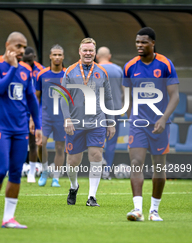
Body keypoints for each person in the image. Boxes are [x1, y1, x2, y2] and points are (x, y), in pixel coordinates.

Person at [0, 32, 42, 229]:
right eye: (18, 46)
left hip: (20, 129)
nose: (22, 51)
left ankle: (9, 217)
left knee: (16, 173)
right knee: (0, 170)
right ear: (8, 44)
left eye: (24, 47)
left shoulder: (26, 70)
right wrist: (12, 69)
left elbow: (32, 99)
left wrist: (38, 125)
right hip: (0, 127)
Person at [124, 27, 179, 222]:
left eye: (144, 42)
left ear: (153, 43)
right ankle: (137, 210)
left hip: (160, 124)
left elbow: (175, 95)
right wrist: (132, 118)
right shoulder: (130, 66)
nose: (139, 45)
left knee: (158, 166)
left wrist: (163, 119)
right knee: (136, 163)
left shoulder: (165, 64)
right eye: (137, 42)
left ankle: (154, 211)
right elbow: (127, 97)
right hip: (138, 125)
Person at [60, 38, 115, 207]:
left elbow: (108, 98)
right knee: (73, 161)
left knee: (96, 156)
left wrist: (110, 121)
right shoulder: (69, 71)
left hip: (97, 122)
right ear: (79, 51)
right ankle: (74, 185)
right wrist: (67, 118)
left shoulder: (102, 72)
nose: (88, 53)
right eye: (85, 50)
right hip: (75, 123)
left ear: (95, 53)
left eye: (91, 50)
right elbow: (63, 97)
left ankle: (92, 197)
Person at [35, 44, 67, 187]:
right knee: (41, 144)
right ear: (50, 56)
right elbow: (36, 98)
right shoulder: (42, 75)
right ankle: (45, 170)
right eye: (54, 54)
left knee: (60, 148)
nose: (57, 57)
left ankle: (56, 178)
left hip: (62, 118)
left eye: (59, 54)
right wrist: (33, 118)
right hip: (45, 116)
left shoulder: (68, 75)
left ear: (63, 57)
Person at [96, 47, 124, 180]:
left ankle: (98, 164)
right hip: (115, 109)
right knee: (111, 141)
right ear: (110, 56)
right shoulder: (118, 70)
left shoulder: (94, 69)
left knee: (96, 138)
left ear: (97, 56)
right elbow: (124, 90)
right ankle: (106, 171)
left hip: (97, 110)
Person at [22, 46, 44, 183]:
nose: (27, 63)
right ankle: (16, 168)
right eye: (25, 60)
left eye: (30, 60)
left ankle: (32, 172)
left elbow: (40, 94)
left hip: (34, 109)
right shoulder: (16, 68)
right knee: (18, 140)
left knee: (33, 141)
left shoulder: (40, 71)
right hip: (18, 108)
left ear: (34, 58)